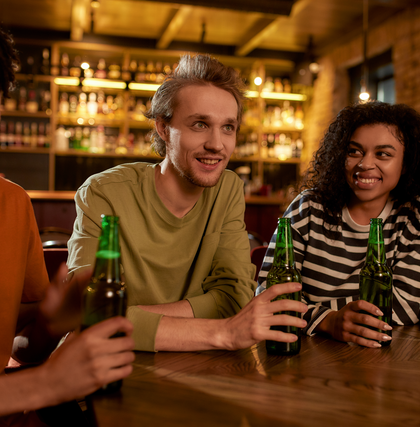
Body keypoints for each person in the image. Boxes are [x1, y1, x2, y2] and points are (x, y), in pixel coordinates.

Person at [0, 4, 134, 427]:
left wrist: (51, 325)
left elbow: (22, 350)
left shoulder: (12, 202)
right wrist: (44, 385)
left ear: (0, 104)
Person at [66, 54, 307, 352]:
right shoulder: (104, 192)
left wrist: (124, 318)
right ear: (163, 128)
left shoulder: (228, 189)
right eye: (199, 125)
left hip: (195, 366)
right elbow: (85, 311)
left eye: (228, 127)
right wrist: (223, 332)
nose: (217, 144)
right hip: (106, 368)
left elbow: (235, 298)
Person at [257, 101, 420, 348]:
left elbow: (408, 306)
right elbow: (267, 293)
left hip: (379, 355)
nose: (365, 164)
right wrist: (328, 321)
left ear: (406, 163)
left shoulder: (413, 216)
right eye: (354, 151)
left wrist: (312, 308)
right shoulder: (309, 208)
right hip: (299, 351)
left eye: (383, 154)